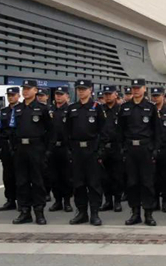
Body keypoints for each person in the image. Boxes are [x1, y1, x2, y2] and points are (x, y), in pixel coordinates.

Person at [119, 78, 161, 226]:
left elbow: (157, 130)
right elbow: (120, 130)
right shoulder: (125, 107)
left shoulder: (150, 107)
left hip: (145, 149)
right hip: (130, 149)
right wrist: (122, 149)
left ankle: (148, 213)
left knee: (147, 182)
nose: (136, 90)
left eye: (138, 88)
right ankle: (135, 213)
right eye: (134, 88)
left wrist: (155, 149)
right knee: (132, 182)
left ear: (144, 89)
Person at [12, 79, 54, 225]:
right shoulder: (17, 109)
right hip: (21, 149)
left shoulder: (42, 109)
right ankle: (25, 212)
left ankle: (39, 212)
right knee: (22, 182)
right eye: (24, 88)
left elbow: (51, 131)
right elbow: (12, 130)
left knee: (37, 181)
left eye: (28, 88)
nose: (25, 91)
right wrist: (13, 148)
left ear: (35, 90)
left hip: (36, 148)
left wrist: (47, 151)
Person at [67, 79, 107, 226]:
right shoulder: (72, 108)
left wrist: (99, 151)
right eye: (79, 89)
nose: (81, 91)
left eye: (84, 89)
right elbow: (67, 131)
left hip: (92, 150)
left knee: (94, 183)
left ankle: (94, 213)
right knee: (78, 183)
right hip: (77, 150)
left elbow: (103, 131)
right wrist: (70, 150)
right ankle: (82, 212)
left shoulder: (97, 108)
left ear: (91, 90)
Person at [47, 86, 72, 213]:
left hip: (65, 147)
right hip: (52, 148)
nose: (58, 96)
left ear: (67, 96)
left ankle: (67, 201)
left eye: (61, 94)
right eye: (57, 94)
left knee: (66, 176)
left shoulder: (70, 110)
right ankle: (57, 201)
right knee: (53, 176)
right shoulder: (49, 110)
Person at [99, 85, 124, 212]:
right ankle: (108, 200)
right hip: (103, 147)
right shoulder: (99, 110)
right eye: (106, 94)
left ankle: (117, 201)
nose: (108, 96)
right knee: (104, 177)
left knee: (117, 176)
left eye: (110, 94)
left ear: (116, 95)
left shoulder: (121, 110)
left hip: (117, 147)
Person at [0, 87, 20, 211]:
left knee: (20, 174)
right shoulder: (4, 111)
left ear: (18, 96)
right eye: (9, 95)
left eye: (13, 95)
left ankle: (22, 201)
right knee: (7, 175)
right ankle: (10, 200)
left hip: (18, 145)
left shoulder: (21, 109)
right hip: (6, 144)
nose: (11, 97)